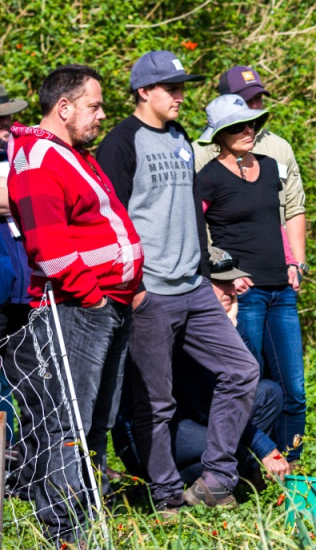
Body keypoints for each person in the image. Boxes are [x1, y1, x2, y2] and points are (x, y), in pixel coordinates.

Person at [96, 50, 259, 511]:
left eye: (183, 87)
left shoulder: (181, 136)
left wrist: (206, 275)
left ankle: (217, 477)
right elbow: (111, 220)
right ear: (144, 92)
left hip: (194, 287)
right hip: (150, 293)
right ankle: (165, 496)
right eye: (172, 88)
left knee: (242, 370)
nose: (181, 96)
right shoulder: (121, 142)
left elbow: (190, 210)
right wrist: (134, 287)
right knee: (156, 401)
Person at [6, 64, 144, 544]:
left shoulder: (74, 154)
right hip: (79, 308)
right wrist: (93, 297)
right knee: (70, 420)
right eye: (94, 106)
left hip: (110, 303)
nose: (102, 115)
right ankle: (66, 529)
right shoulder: (40, 158)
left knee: (98, 418)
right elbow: (50, 247)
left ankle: (90, 507)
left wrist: (131, 284)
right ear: (63, 108)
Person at [114, 247, 290, 488]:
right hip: (153, 431)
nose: (231, 291)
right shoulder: (181, 324)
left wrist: (233, 327)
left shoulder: (215, 320)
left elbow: (251, 375)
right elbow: (205, 398)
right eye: (222, 284)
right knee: (229, 447)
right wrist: (265, 448)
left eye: (232, 283)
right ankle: (239, 470)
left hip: (194, 420)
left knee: (269, 393)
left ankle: (232, 471)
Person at [195, 94, 306, 462]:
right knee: (249, 385)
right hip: (247, 295)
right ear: (219, 134)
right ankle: (252, 463)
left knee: (294, 389)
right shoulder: (207, 178)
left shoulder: (272, 167)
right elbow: (196, 234)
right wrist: (222, 277)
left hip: (282, 292)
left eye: (252, 123)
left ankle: (294, 469)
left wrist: (293, 262)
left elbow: (275, 221)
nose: (248, 130)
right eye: (237, 126)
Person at [192, 65, 308, 292]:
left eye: (258, 98)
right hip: (232, 275)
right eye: (246, 100)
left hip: (280, 274)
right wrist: (217, 274)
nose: (254, 106)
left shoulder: (280, 147)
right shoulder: (200, 152)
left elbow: (293, 208)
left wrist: (298, 266)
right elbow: (195, 220)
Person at [0, 84, 31, 445]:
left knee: (30, 379)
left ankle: (25, 456)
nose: (8, 122)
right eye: (2, 116)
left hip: (27, 288)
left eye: (9, 114)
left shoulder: (19, 152)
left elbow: (37, 192)